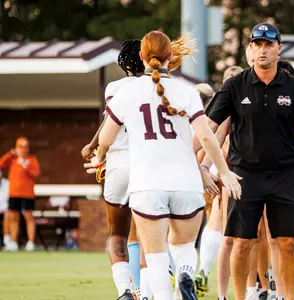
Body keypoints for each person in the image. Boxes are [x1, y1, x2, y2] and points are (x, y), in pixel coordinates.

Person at [85, 30, 242, 300]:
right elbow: (205, 136)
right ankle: (183, 273)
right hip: (185, 183)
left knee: (155, 257)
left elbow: (107, 138)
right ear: (171, 56)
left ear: (142, 56)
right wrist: (224, 171)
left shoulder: (126, 91)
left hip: (148, 185)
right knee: (183, 247)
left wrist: (99, 159)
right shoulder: (187, 91)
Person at [203, 22, 294, 300]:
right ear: (250, 48)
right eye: (257, 44)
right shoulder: (234, 85)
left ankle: (287, 297)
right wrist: (191, 160)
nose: (262, 49)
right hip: (244, 176)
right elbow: (208, 127)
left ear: (279, 48)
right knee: (242, 242)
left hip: (285, 174)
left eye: (268, 44)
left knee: (287, 243)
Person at [81, 39, 145, 300]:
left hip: (118, 166)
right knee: (151, 239)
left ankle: (125, 291)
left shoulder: (115, 88)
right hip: (148, 166)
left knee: (117, 235)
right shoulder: (159, 87)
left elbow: (112, 119)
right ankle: (150, 292)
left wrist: (95, 146)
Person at [194, 67, 240, 298]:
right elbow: (215, 138)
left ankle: (202, 269)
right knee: (226, 228)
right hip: (229, 169)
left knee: (213, 219)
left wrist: (200, 166)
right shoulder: (234, 103)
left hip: (213, 168)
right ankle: (256, 285)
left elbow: (207, 139)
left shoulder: (213, 106)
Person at [0, 137, 40, 252]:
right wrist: (10, 153)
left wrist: (25, 166)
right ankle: (13, 241)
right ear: (16, 148)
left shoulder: (31, 160)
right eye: (20, 148)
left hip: (27, 193)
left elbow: (36, 173)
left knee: (29, 217)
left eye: (24, 148)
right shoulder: (12, 159)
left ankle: (31, 242)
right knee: (13, 217)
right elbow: (1, 164)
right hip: (14, 193)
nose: (23, 151)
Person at [0, 170, 9, 248]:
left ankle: (7, 240)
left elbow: (9, 201)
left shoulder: (7, 184)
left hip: (5, 210)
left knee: (8, 214)